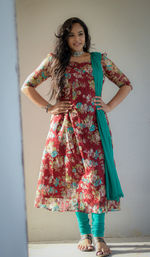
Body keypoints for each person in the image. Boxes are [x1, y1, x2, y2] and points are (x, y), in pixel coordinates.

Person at [21, 17, 133, 257]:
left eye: (80, 33)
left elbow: (125, 83)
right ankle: (85, 234)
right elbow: (28, 85)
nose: (77, 39)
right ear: (65, 38)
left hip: (94, 128)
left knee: (96, 180)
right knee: (75, 180)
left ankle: (99, 235)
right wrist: (49, 107)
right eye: (71, 35)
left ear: (86, 36)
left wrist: (109, 106)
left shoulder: (98, 60)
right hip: (66, 129)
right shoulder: (55, 61)